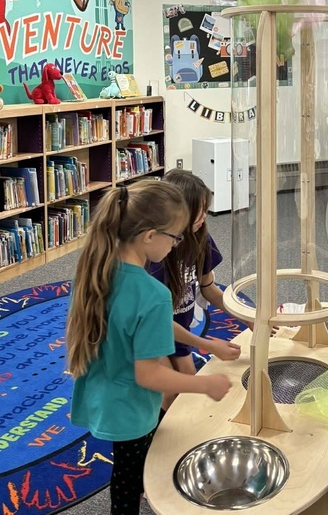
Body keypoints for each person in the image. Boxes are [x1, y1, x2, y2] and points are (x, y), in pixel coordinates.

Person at [66, 180, 231, 515]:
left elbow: (144, 330)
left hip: (107, 392)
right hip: (129, 408)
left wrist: (200, 344)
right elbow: (149, 375)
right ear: (149, 236)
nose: (176, 245)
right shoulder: (153, 295)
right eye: (175, 236)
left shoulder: (100, 269)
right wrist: (204, 384)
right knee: (129, 480)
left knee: (133, 465)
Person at [150, 170, 246, 411]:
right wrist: (211, 345)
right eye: (198, 210)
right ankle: (154, 442)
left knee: (186, 391)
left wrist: (247, 317)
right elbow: (156, 321)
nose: (204, 216)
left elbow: (209, 289)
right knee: (170, 391)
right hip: (150, 332)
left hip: (178, 329)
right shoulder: (155, 253)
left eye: (206, 208)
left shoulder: (200, 238)